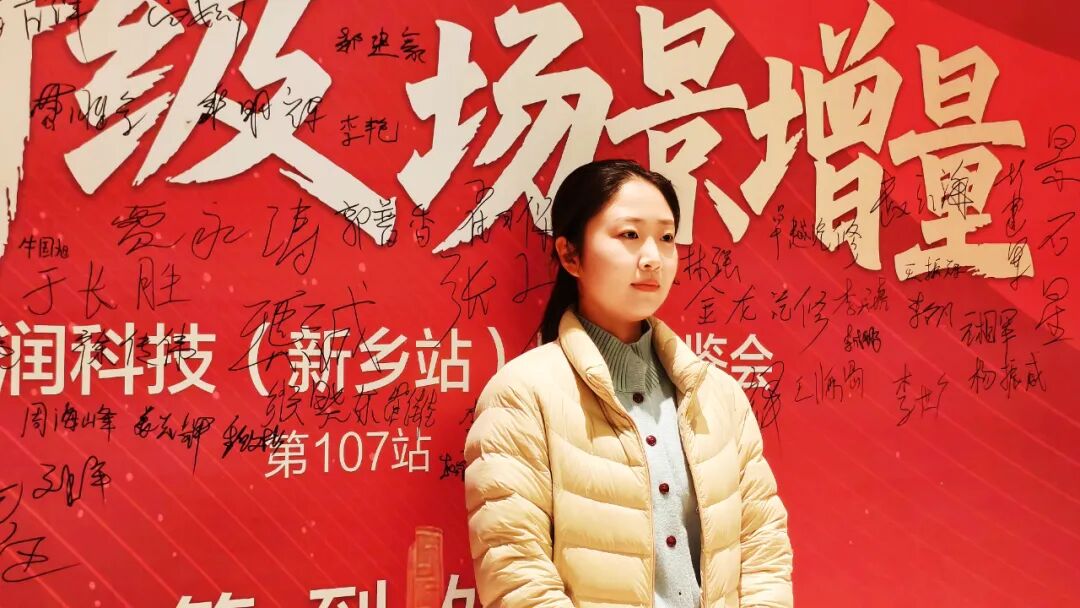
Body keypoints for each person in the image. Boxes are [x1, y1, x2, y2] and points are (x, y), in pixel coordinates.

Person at [464, 159, 793, 608]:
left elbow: (764, 548)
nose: (652, 257)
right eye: (629, 235)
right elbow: (516, 574)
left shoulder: (719, 395)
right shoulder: (522, 394)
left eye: (667, 238)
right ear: (570, 255)